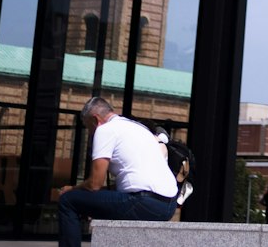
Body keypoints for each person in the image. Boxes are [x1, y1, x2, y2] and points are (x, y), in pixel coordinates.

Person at [55, 97, 178, 247]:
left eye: (89, 127)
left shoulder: (105, 130)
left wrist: (72, 189)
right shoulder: (137, 127)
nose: (91, 133)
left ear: (95, 120)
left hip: (143, 203)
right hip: (168, 206)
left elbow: (95, 184)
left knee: (68, 200)